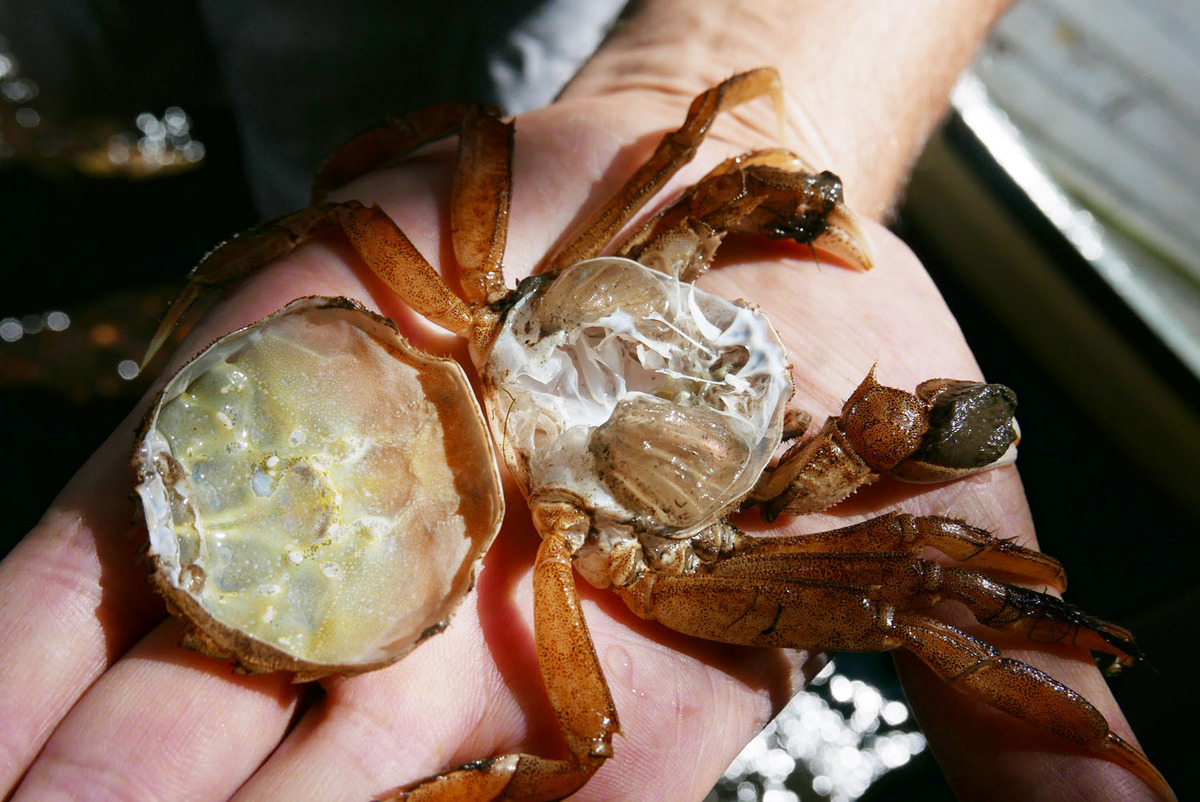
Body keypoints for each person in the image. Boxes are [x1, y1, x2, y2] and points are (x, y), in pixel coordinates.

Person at [0, 1, 1173, 799]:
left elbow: (681, 143)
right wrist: (738, 118)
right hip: (520, 430)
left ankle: (152, 259)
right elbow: (686, 155)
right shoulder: (679, 390)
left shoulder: (588, 289)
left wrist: (756, 104)